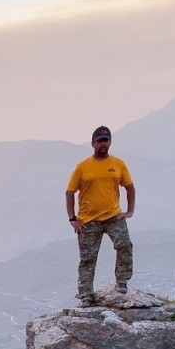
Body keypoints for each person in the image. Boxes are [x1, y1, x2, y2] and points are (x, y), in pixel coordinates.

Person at [66, 126, 135, 306]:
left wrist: (129, 211)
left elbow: (129, 187)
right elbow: (69, 192)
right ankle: (86, 295)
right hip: (88, 220)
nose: (102, 144)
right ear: (93, 144)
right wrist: (72, 218)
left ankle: (122, 281)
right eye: (99, 141)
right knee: (87, 258)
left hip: (113, 217)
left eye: (105, 140)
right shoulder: (82, 167)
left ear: (110, 142)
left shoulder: (118, 164)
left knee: (125, 245)